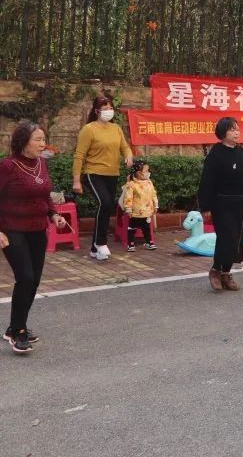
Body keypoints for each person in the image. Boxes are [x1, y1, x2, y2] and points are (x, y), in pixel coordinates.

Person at [1, 120, 68, 354]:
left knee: (35, 280)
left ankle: (15, 326)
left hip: (38, 230)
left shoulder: (41, 163)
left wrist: (53, 214)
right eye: (38, 139)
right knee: (26, 278)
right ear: (23, 141)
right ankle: (18, 332)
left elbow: (44, 194)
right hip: (12, 229)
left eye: (43, 139)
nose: (42, 144)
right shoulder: (8, 166)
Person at [72, 94, 133, 260]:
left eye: (111, 108)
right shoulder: (89, 129)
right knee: (105, 203)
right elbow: (79, 155)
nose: (109, 111)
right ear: (97, 111)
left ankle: (94, 248)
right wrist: (76, 181)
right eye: (105, 108)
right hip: (93, 173)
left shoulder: (116, 128)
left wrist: (128, 156)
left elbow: (125, 147)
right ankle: (101, 243)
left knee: (107, 207)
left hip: (112, 174)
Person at [198, 117, 243, 292]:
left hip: (238, 202)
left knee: (237, 239)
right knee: (226, 238)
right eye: (232, 129)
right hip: (221, 203)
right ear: (223, 133)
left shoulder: (241, 153)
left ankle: (226, 273)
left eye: (237, 129)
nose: (236, 133)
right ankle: (216, 270)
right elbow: (207, 182)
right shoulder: (215, 155)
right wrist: (205, 207)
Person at [119, 159, 158, 251]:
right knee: (132, 228)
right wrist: (128, 209)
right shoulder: (131, 184)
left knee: (147, 228)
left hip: (147, 211)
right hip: (135, 212)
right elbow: (128, 198)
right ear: (139, 173)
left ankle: (149, 242)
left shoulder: (149, 183)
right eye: (146, 171)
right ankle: (130, 244)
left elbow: (153, 194)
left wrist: (156, 205)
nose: (148, 173)